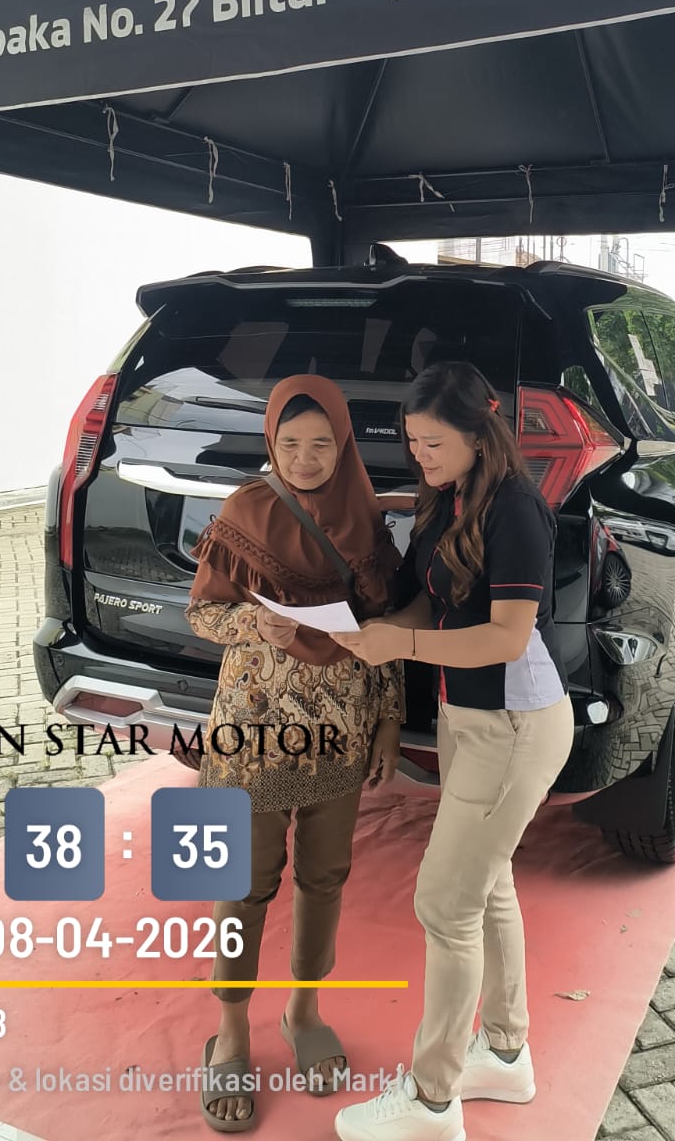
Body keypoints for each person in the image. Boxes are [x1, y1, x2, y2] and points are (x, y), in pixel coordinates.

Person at [328, 361, 573, 1141]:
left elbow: (506, 638)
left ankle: (433, 1100)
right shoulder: (447, 500)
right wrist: (362, 630)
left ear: (478, 433)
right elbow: (423, 605)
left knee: (445, 902)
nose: (419, 455)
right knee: (485, 887)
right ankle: (504, 1053)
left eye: (433, 442)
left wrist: (399, 643)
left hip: (517, 726)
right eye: (412, 441)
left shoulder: (517, 510)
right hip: (467, 719)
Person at [185, 374, 404, 1133]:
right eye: (290, 444)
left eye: (321, 445)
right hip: (254, 731)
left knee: (324, 876)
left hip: (341, 729)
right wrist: (254, 623)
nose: (306, 459)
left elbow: (386, 636)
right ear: (271, 444)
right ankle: (230, 1031)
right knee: (243, 884)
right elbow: (202, 613)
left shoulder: (366, 520)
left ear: (343, 445)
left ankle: (303, 1010)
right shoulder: (246, 509)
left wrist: (388, 723)